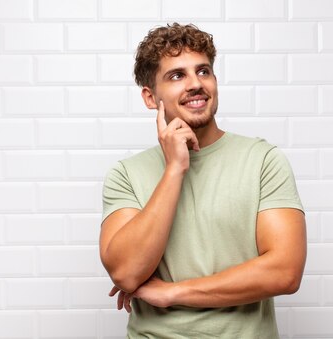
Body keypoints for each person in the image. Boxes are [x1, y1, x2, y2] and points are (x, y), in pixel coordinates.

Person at [99, 23, 306, 338]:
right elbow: (126, 273)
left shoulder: (263, 160)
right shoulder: (126, 174)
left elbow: (285, 272)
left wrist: (174, 292)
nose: (195, 84)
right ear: (150, 97)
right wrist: (174, 170)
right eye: (177, 75)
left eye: (204, 71)